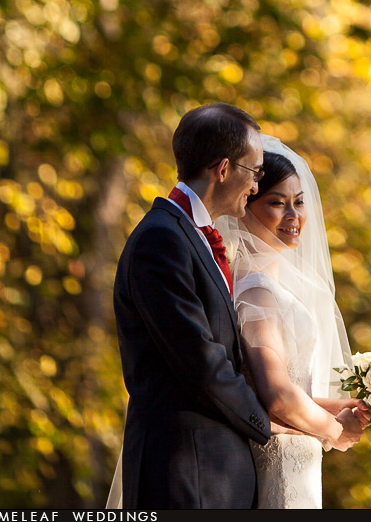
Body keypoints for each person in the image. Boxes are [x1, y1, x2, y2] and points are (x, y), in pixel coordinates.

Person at [111, 103, 279, 508]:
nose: (256, 186)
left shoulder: (191, 235)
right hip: (186, 475)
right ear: (223, 169)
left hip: (213, 471)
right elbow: (201, 363)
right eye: (254, 172)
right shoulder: (161, 240)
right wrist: (270, 424)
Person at [219, 137, 371, 509]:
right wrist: (335, 431)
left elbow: (276, 388)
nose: (294, 215)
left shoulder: (272, 286)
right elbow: (277, 397)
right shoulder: (256, 291)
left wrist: (344, 405)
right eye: (276, 202)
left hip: (299, 454)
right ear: (245, 207)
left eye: (299, 202)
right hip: (278, 459)